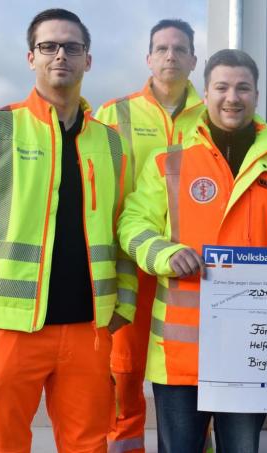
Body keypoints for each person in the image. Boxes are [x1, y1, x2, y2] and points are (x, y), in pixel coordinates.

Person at [0, 8, 135, 452]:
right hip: (4, 328)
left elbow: (126, 228)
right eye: (49, 46)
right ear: (31, 57)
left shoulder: (112, 143)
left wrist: (124, 306)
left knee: (89, 446)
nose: (61, 55)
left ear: (87, 60)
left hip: (88, 331)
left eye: (72, 47)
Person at [117, 49, 267, 453]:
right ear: (206, 93)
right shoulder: (168, 162)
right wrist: (163, 252)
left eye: (243, 87)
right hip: (180, 355)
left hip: (253, 349)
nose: (233, 97)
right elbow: (132, 225)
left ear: (257, 95)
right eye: (222, 87)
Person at [94, 19, 205, 453]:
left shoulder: (214, 112)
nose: (170, 56)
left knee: (195, 375)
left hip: (190, 270)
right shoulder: (112, 114)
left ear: (194, 60)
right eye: (161, 48)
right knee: (123, 371)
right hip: (128, 263)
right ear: (148, 58)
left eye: (180, 49)